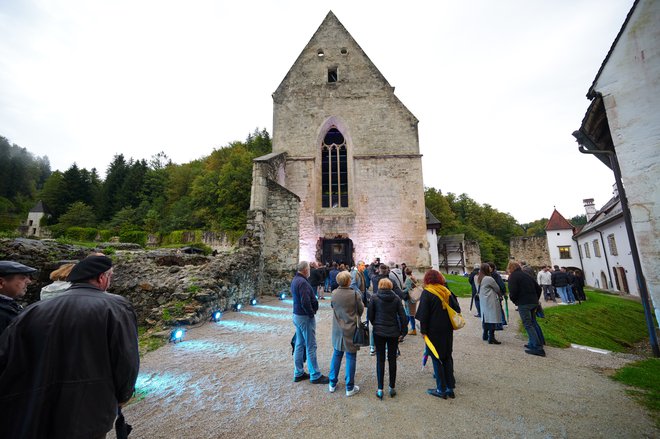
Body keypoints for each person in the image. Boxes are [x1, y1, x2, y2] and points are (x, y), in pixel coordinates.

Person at [0, 255, 140, 438]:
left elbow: (7, 357)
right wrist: (123, 395)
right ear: (101, 278)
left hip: (38, 406)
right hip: (91, 408)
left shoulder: (34, 310)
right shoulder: (115, 306)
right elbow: (125, 357)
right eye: (110, 277)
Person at [416, 269, 460, 399]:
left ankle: (441, 389)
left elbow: (423, 315)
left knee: (436, 358)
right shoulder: (446, 291)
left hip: (433, 330)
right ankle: (450, 388)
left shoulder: (428, 292)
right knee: (447, 356)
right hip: (447, 329)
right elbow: (457, 309)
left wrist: (423, 331)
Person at [368, 278, 407, 400]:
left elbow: (370, 315)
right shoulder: (395, 299)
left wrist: (376, 324)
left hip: (379, 332)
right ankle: (392, 387)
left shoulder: (374, 298)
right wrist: (403, 331)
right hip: (393, 332)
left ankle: (380, 389)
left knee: (380, 359)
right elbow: (402, 315)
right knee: (392, 359)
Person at [292, 261, 329, 384]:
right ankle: (315, 374)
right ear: (305, 270)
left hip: (297, 315)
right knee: (311, 345)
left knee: (299, 344)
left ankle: (299, 372)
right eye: (308, 269)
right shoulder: (302, 282)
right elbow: (305, 301)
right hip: (304, 317)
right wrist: (311, 313)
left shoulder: (296, 280)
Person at [328, 271, 363, 397]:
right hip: (351, 328)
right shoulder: (354, 295)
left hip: (338, 329)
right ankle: (349, 387)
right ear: (349, 281)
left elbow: (333, 306)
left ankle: (332, 383)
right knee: (351, 356)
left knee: (337, 354)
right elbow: (361, 310)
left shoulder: (334, 294)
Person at [508, 260, 546, 357]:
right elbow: (538, 288)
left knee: (528, 324)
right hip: (533, 302)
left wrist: (515, 300)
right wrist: (535, 298)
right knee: (532, 322)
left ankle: (537, 347)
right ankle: (535, 342)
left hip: (524, 303)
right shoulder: (526, 275)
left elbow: (513, 291)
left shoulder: (513, 276)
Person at [0, 261, 36, 333]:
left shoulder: (8, 306)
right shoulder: (2, 313)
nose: (29, 281)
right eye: (23, 277)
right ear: (1, 282)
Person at [477, 263, 503, 344]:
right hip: (490, 300)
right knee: (492, 318)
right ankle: (491, 337)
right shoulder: (489, 278)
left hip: (484, 300)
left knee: (486, 318)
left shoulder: (480, 278)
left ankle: (485, 334)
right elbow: (497, 288)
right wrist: (500, 294)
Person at [402, 267, 418, 335]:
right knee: (409, 314)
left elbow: (408, 289)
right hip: (413, 297)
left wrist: (401, 291)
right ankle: (407, 327)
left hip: (409, 298)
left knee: (410, 314)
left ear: (405, 272)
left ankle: (413, 329)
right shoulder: (413, 277)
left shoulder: (408, 279)